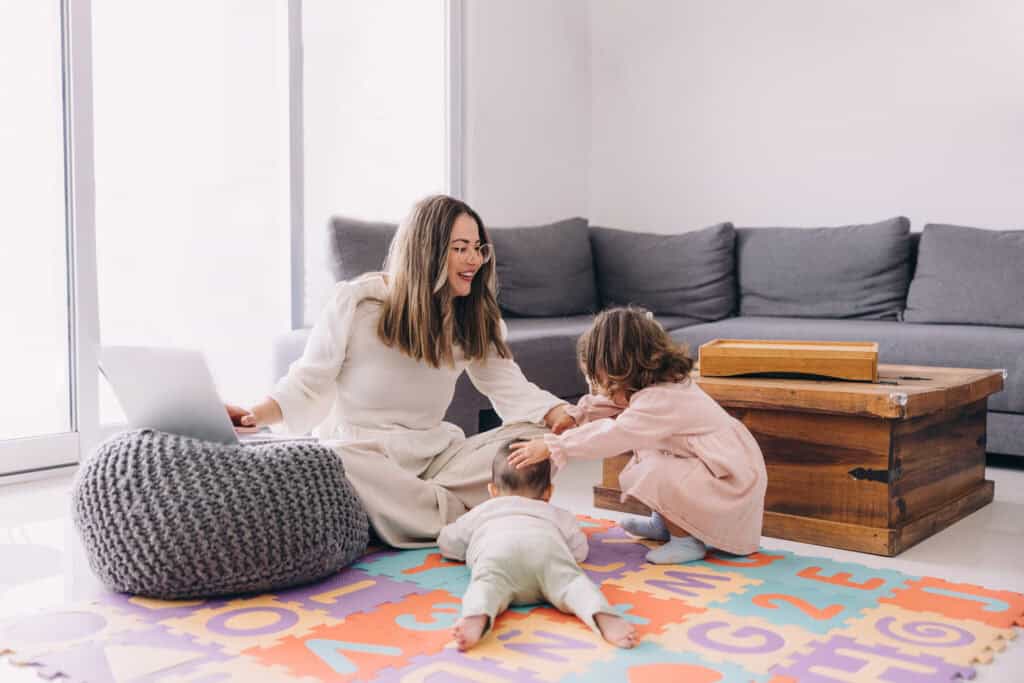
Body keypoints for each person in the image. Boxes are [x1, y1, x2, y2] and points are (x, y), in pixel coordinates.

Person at [226, 195, 573, 548]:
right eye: (461, 248)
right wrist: (254, 415)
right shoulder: (358, 303)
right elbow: (306, 383)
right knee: (332, 458)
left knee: (543, 441)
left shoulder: (475, 319)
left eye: (478, 248)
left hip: (437, 459)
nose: (474, 260)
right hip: (365, 459)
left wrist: (561, 415)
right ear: (428, 250)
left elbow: (510, 387)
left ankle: (407, 515)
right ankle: (462, 515)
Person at [509, 306, 767, 564]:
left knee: (654, 466)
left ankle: (686, 541)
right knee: (651, 452)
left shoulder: (662, 399)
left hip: (729, 481)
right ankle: (668, 523)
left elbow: (613, 435)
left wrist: (556, 445)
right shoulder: (652, 386)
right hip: (717, 468)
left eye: (600, 380)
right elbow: (610, 404)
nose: (601, 389)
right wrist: (577, 414)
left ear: (622, 369)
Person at [438, 447, 638, 651]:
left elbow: (448, 542)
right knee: (575, 585)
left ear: (492, 491)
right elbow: (579, 550)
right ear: (549, 492)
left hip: (498, 557)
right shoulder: (558, 514)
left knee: (485, 586)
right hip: (546, 555)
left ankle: (476, 617)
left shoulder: (482, 511)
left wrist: (464, 550)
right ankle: (602, 615)